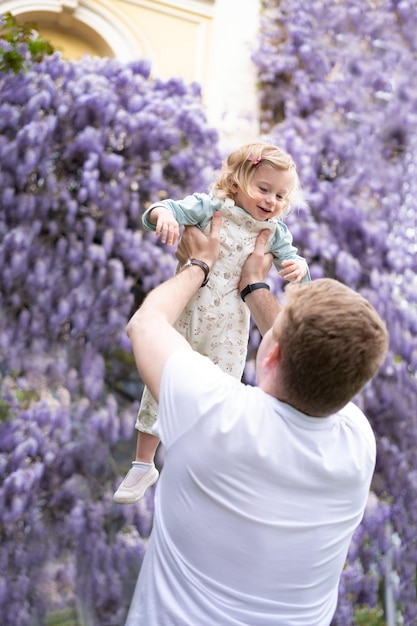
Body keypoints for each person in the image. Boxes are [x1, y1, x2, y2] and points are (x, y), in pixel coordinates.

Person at [123, 215, 389, 626]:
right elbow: (305, 356)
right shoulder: (358, 444)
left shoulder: (216, 411)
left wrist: (200, 264)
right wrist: (253, 288)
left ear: (270, 353)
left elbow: (146, 323)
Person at [114, 142, 311, 504]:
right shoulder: (211, 207)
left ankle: (201, 463)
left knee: (219, 394)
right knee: (161, 383)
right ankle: (143, 463)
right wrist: (166, 218)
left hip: (229, 331)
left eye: (280, 195)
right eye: (263, 189)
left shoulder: (276, 233)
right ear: (235, 182)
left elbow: (299, 270)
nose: (271, 200)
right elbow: (162, 209)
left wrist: (299, 269)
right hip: (187, 318)